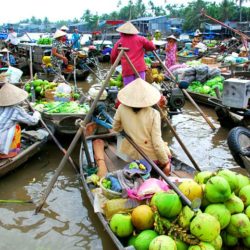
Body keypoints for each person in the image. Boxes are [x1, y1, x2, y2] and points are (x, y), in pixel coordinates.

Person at [112, 78, 172, 175]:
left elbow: (115, 127)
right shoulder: (154, 113)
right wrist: (166, 162)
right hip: (150, 156)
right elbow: (156, 143)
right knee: (167, 155)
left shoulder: (121, 108)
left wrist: (128, 130)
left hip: (132, 151)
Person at [0, 74, 41, 158]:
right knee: (17, 128)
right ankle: (7, 153)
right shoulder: (16, 109)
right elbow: (33, 121)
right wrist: (37, 114)